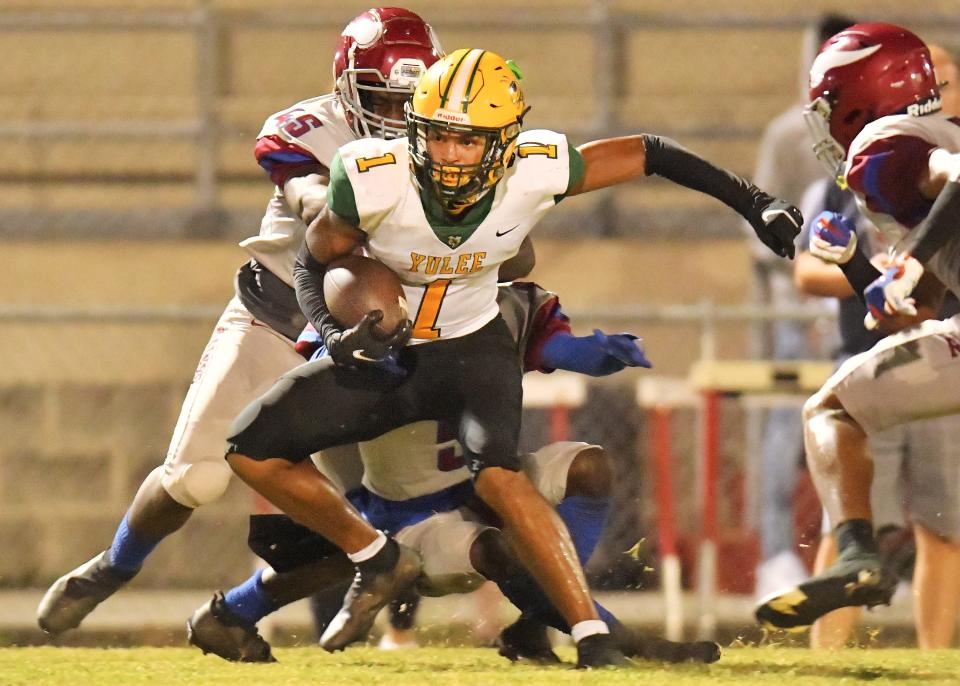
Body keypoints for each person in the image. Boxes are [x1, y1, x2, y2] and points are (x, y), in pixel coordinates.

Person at [224, 46, 802, 668]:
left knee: (502, 477)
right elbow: (312, 259)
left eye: (468, 142)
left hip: (472, 349)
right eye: (438, 136)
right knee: (249, 447)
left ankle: (590, 636)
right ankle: (369, 556)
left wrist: (752, 200)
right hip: (387, 351)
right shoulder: (372, 175)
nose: (448, 155)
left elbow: (650, 153)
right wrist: (333, 336)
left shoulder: (536, 170)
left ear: (505, 144)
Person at [36, 7, 445, 636]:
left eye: (406, 101)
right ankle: (112, 567)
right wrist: (357, 197)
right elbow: (309, 202)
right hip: (277, 321)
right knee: (196, 478)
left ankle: (252, 614)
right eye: (380, 100)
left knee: (396, 512)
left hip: (371, 343)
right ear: (346, 88)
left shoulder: (456, 140)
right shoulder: (306, 130)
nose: (393, 117)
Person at [188, 282, 719, 666]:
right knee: (493, 551)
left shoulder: (499, 303)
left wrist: (592, 352)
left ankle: (538, 624)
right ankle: (601, 630)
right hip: (413, 509)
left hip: (490, 478)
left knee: (590, 465)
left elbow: (548, 342)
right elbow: (306, 428)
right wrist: (356, 518)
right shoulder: (355, 327)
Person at [756, 23, 960, 632]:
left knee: (830, 412)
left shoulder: (888, 141)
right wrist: (860, 269)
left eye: (830, 104)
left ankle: (857, 554)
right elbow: (920, 309)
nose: (824, 122)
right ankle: (856, 558)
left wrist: (915, 259)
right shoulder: (927, 137)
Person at [749, 13, 856, 600]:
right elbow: (760, 223)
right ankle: (775, 555)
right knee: (784, 432)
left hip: (856, 304)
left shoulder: (879, 137)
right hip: (798, 309)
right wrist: (800, 294)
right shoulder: (790, 135)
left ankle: (856, 551)